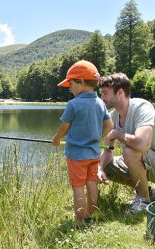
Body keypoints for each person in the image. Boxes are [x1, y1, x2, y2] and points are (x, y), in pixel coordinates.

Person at [97, 73, 155, 214]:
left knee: (129, 152)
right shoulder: (113, 116)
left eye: (105, 93)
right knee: (105, 165)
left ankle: (143, 201)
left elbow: (142, 145)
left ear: (120, 92)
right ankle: (148, 192)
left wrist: (117, 134)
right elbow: (107, 150)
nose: (102, 98)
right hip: (148, 163)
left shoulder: (142, 107)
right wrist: (99, 168)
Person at [53, 60, 113, 224]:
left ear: (81, 81)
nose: (69, 88)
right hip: (93, 154)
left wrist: (57, 139)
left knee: (78, 187)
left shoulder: (73, 104)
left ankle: (80, 220)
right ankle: (89, 216)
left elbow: (64, 127)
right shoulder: (100, 103)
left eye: (71, 84)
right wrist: (97, 137)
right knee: (92, 184)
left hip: (77, 156)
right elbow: (110, 125)